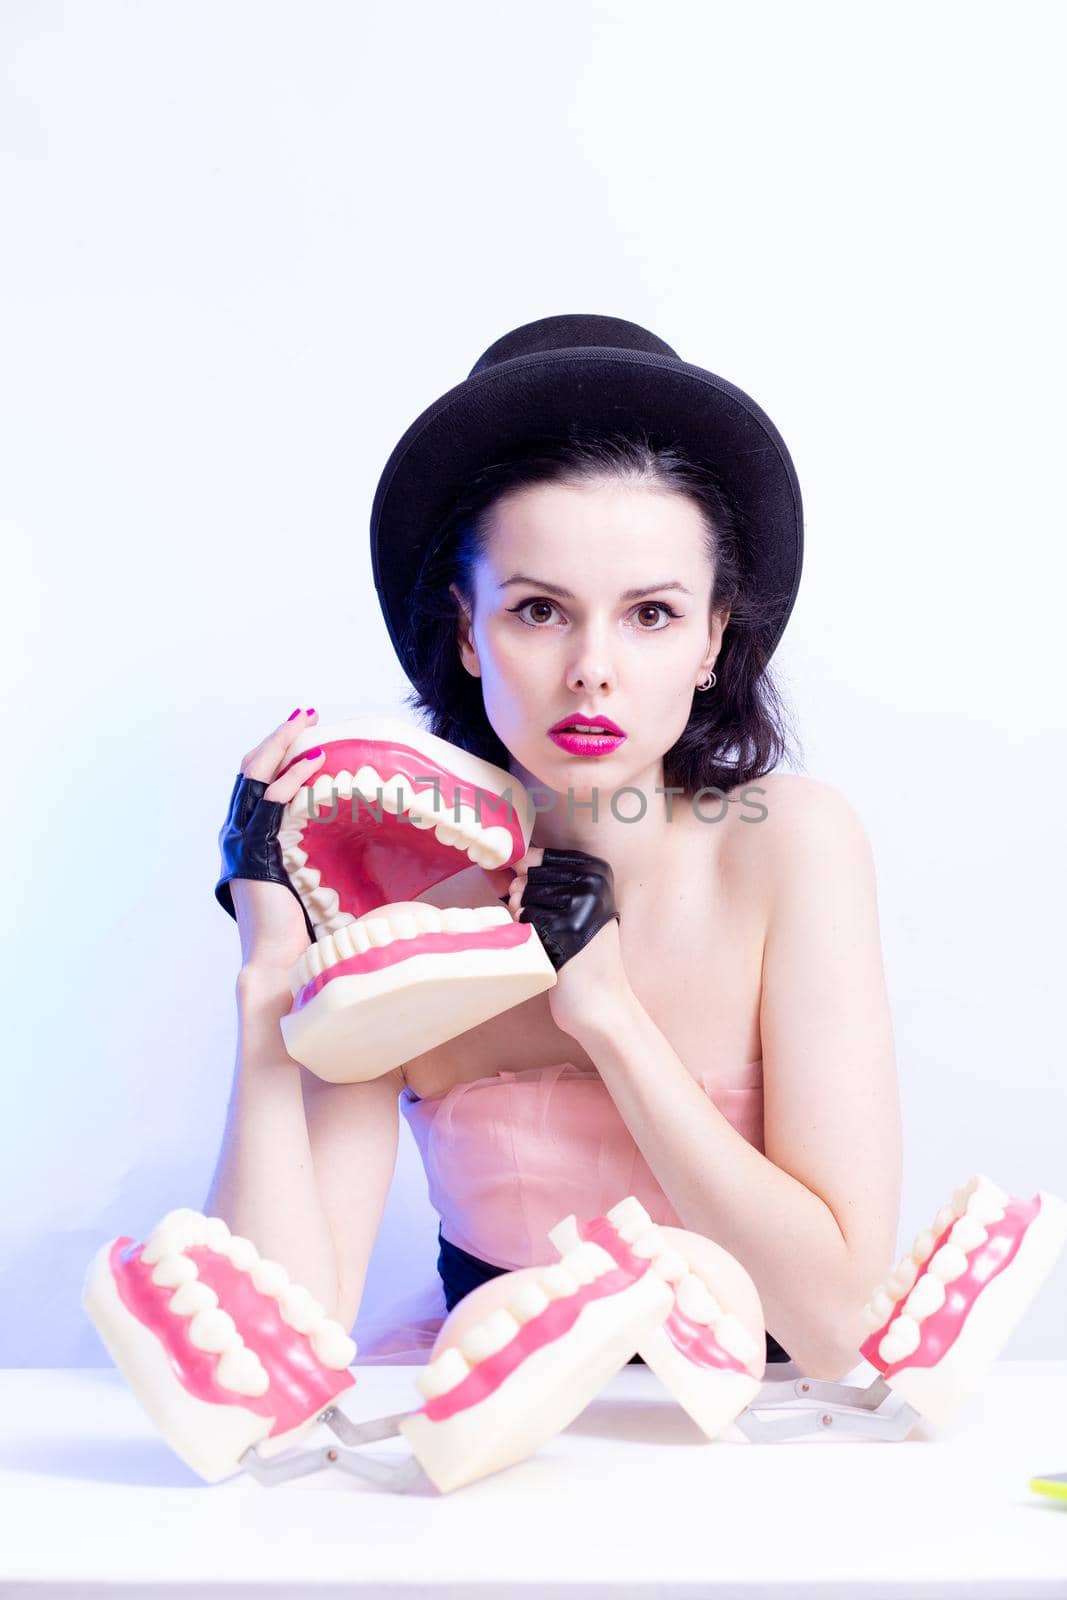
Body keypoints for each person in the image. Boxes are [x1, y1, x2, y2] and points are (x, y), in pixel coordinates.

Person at [207, 315, 902, 1382]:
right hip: (489, 1453)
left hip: (764, 1454)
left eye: (650, 615)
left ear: (715, 636)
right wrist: (271, 979)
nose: (591, 669)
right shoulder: (407, 896)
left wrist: (609, 1018)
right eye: (538, 610)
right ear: (466, 629)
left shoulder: (788, 846)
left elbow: (845, 1332)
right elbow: (266, 1357)